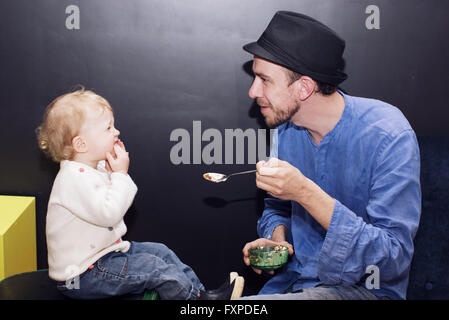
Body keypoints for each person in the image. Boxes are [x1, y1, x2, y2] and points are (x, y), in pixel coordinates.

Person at [240, 11, 421, 300]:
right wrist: (278, 239)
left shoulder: (388, 134)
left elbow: (393, 258)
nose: (252, 91)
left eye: (264, 79)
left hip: (364, 289)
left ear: (304, 87)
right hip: (294, 282)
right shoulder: (284, 131)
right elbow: (277, 208)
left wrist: (305, 192)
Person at [36, 88, 244, 300]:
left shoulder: (93, 168)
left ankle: (200, 294)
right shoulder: (72, 179)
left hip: (105, 256)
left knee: (160, 252)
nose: (116, 132)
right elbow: (109, 213)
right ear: (81, 144)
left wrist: (111, 172)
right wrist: (120, 175)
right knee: (154, 269)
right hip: (81, 277)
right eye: (108, 128)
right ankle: (196, 303)